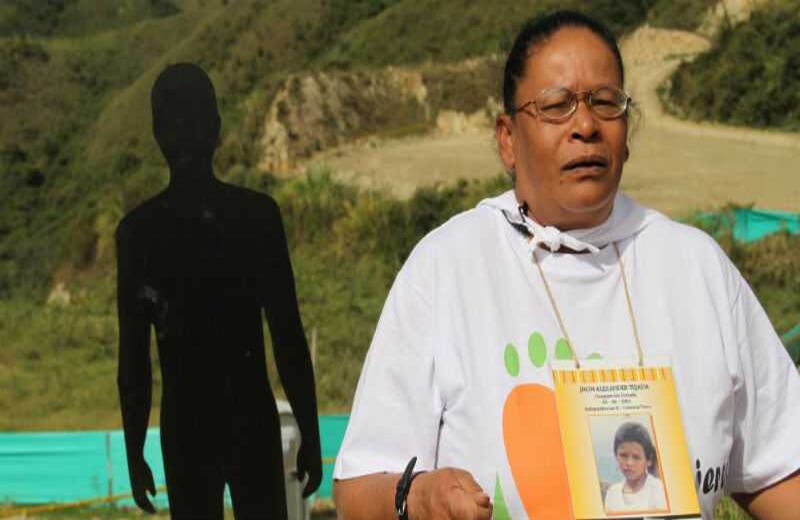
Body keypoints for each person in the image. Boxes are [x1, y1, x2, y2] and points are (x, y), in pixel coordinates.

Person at [332, 9, 800, 520]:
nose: (586, 126)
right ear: (508, 139)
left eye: (606, 102)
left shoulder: (695, 268)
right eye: (557, 106)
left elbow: (782, 468)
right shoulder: (447, 269)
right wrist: (420, 496)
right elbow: (358, 491)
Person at [116, 63, 321, 518]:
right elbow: (287, 336)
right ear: (217, 128)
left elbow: (134, 362)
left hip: (186, 429)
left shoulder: (139, 234)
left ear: (157, 135)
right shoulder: (256, 218)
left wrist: (134, 450)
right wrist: (310, 431)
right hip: (250, 420)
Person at [604, 422, 667, 513]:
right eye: (623, 455)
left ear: (649, 460)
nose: (629, 463)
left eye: (636, 457)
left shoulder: (659, 490)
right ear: (616, 455)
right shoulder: (612, 493)